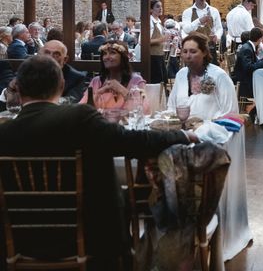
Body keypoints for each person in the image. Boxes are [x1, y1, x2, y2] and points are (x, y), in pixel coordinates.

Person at [0, 55, 197, 269]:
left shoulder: (5, 133)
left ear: (18, 89)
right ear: (62, 84)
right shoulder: (79, 118)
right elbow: (132, 141)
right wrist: (182, 135)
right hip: (92, 236)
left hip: (21, 240)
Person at [167, 32, 238, 120]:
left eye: (193, 51)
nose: (188, 56)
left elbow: (230, 112)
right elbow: (172, 106)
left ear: (204, 52)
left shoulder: (219, 76)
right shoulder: (181, 74)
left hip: (212, 130)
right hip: (183, 131)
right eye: (185, 51)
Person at [80, 40, 148, 114]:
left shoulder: (136, 80)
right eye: (105, 54)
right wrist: (99, 93)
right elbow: (81, 109)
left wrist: (121, 90)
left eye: (112, 53)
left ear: (123, 57)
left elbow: (145, 111)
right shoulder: (96, 81)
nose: (107, 57)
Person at [180, 0, 223, 65]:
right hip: (193, 47)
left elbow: (219, 28)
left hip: (210, 46)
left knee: (211, 72)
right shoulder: (187, 12)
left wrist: (217, 36)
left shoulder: (214, 11)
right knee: (194, 72)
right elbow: (186, 29)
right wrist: (199, 21)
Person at [235, 27, 263, 110]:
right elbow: (248, 67)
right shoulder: (247, 49)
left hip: (246, 76)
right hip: (245, 80)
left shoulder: (249, 46)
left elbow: (254, 62)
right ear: (260, 39)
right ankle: (261, 110)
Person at [147, 0, 167, 84]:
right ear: (151, 9)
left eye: (161, 6)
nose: (160, 8)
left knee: (162, 80)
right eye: (157, 6)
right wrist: (161, 39)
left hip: (159, 55)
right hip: (153, 56)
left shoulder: (158, 22)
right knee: (156, 81)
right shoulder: (150, 22)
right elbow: (142, 41)